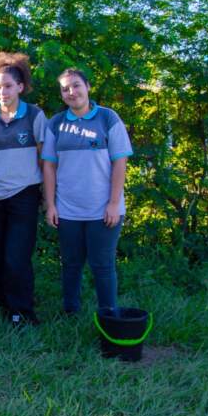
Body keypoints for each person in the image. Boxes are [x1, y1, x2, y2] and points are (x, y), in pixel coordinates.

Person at [42, 68, 133, 315]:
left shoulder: (108, 118)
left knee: (102, 265)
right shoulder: (56, 123)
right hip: (67, 210)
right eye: (65, 89)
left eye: (76, 85)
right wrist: (51, 205)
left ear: (88, 86)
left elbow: (120, 162)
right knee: (70, 264)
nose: (71, 92)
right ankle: (71, 314)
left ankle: (109, 316)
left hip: (103, 209)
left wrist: (113, 203)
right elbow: (49, 166)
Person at [0, 52, 48, 326]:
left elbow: (44, 158)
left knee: (16, 258)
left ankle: (23, 314)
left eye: (7, 86)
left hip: (24, 195)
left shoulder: (35, 115)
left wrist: (44, 195)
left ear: (20, 86)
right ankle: (6, 306)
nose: (2, 92)